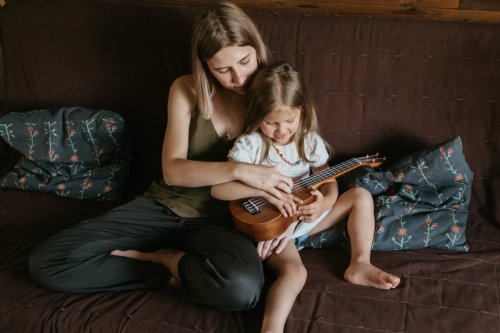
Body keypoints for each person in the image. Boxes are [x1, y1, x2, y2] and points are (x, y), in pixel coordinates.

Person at [29, 1, 294, 312]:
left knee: (241, 291)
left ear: (257, 50)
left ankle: (173, 260)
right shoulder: (186, 89)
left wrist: (307, 211)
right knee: (48, 262)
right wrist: (238, 170)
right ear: (205, 66)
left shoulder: (276, 96)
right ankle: (168, 272)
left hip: (223, 221)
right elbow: (174, 171)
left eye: (245, 61)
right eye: (223, 69)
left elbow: (311, 163)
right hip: (163, 206)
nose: (239, 78)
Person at [212, 61, 401, 332]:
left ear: (302, 111)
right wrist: (264, 188)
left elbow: (328, 180)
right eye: (271, 122)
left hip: (304, 222)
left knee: (360, 196)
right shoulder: (251, 145)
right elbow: (219, 189)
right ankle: (271, 329)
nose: (282, 130)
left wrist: (325, 201)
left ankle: (360, 264)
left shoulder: (308, 141)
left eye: (290, 121)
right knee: (296, 273)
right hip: (272, 228)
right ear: (256, 115)